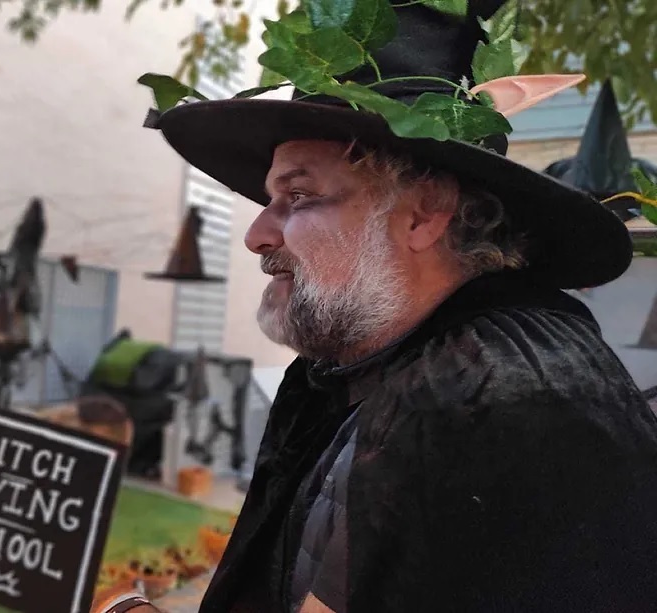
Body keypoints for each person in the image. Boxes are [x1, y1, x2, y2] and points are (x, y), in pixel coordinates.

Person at [99, 1, 657, 612]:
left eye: (300, 195)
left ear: (422, 213)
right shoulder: (393, 364)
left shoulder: (487, 395)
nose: (258, 234)